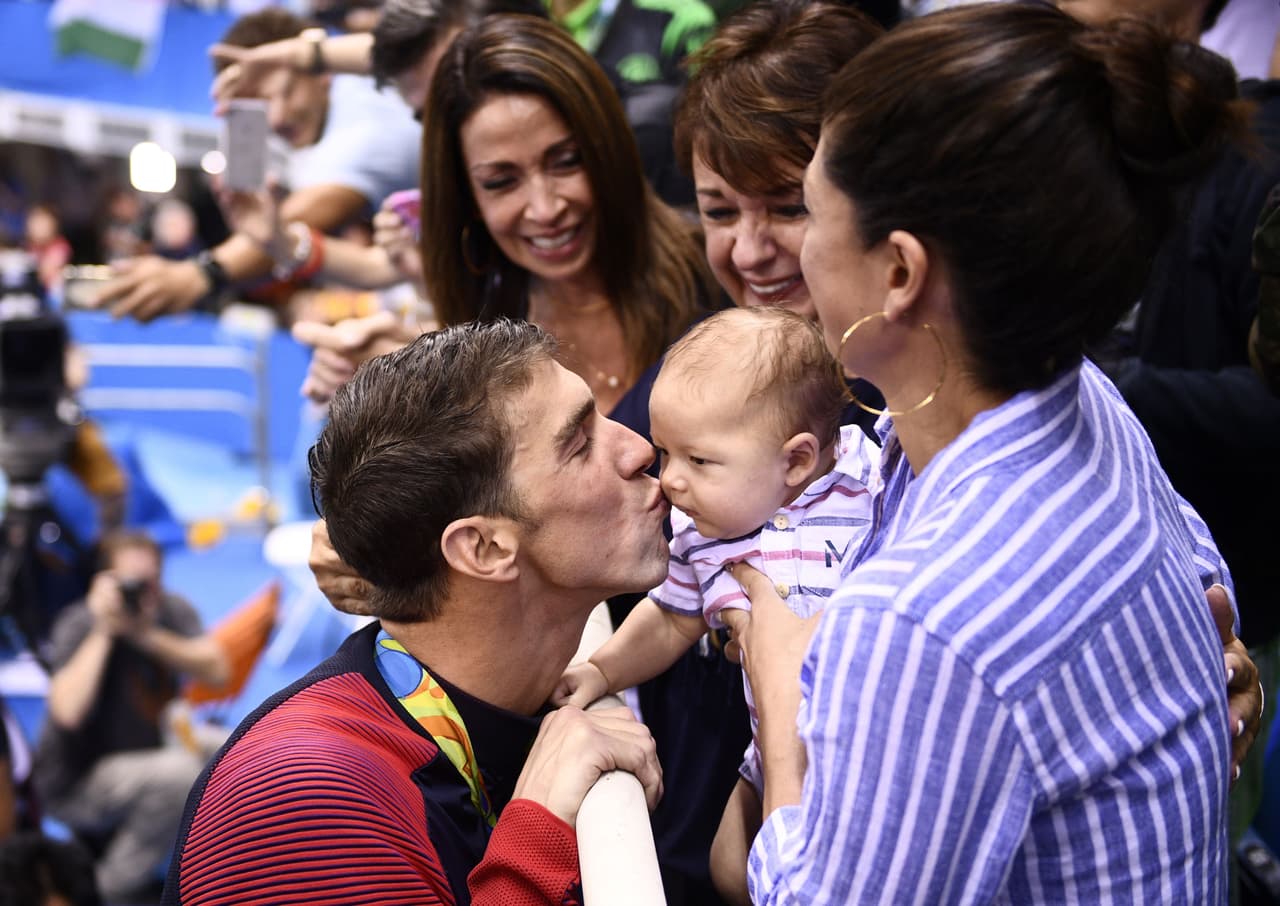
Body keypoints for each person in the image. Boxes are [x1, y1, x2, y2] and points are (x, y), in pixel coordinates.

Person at [728, 4, 1256, 901]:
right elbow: (1207, 598)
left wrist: (781, 701)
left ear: (899, 272)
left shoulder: (924, 620)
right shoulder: (1079, 393)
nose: (778, 252)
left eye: (805, 211)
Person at [163, 320, 664, 904]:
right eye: (580, 444)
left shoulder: (474, 712)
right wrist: (538, 833)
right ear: (483, 548)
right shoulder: (298, 799)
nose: (639, 448)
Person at [554, 305, 878, 904]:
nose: (671, 481)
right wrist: (600, 669)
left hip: (869, 741)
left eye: (698, 461)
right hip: (770, 745)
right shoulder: (703, 535)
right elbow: (671, 617)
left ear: (797, 459)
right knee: (728, 865)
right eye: (665, 453)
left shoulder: (870, 481)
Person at [94, 8, 420, 322]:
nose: (276, 118)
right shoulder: (335, 111)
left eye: (285, 93)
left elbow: (307, 213)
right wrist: (277, 243)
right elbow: (372, 267)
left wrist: (201, 274)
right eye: (259, 108)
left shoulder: (367, 121)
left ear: (322, 75)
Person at [672, 0, 886, 440]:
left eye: (790, 207)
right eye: (720, 213)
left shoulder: (940, 393)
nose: (749, 253)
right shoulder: (698, 370)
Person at [33, 530, 229, 904]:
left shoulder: (167, 610)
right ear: (104, 582)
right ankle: (107, 891)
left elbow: (218, 670)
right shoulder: (79, 623)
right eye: (132, 584)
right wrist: (106, 631)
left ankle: (221, 865)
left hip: (152, 744)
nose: (144, 592)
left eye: (152, 580)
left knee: (238, 749)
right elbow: (67, 713)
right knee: (177, 777)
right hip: (79, 779)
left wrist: (144, 634)